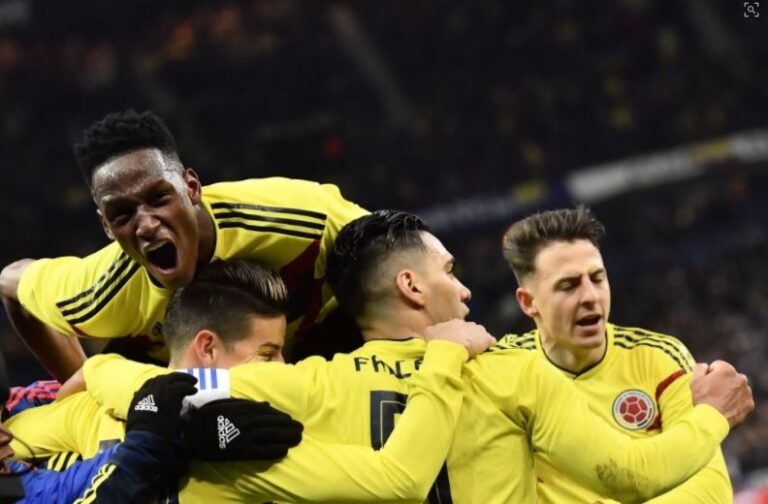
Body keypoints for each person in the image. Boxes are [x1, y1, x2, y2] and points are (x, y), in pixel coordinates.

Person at [85, 210, 754, 503]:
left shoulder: (309, 384)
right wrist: (712, 416)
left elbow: (166, 390)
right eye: (451, 272)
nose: (465, 290)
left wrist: (95, 370)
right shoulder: (508, 372)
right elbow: (629, 473)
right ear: (411, 285)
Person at [7, 258, 494, 502]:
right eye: (268, 353)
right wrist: (445, 355)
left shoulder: (255, 433)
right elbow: (398, 480)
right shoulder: (253, 445)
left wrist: (100, 370)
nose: (281, 367)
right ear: (207, 349)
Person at [0, 109, 368, 381]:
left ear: (191, 187)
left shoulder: (299, 216)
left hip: (332, 358)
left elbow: (396, 252)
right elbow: (9, 281)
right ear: (106, 227)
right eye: (122, 214)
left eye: (158, 198)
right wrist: (84, 386)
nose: (146, 224)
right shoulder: (98, 291)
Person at [500, 206, 732, 503]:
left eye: (597, 278)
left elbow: (711, 490)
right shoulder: (505, 372)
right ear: (528, 302)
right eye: (569, 286)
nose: (590, 296)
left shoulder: (659, 358)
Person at [1, 372, 286, 503]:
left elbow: (61, 490)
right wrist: (148, 439)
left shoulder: (7, 483)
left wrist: (179, 437)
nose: (7, 437)